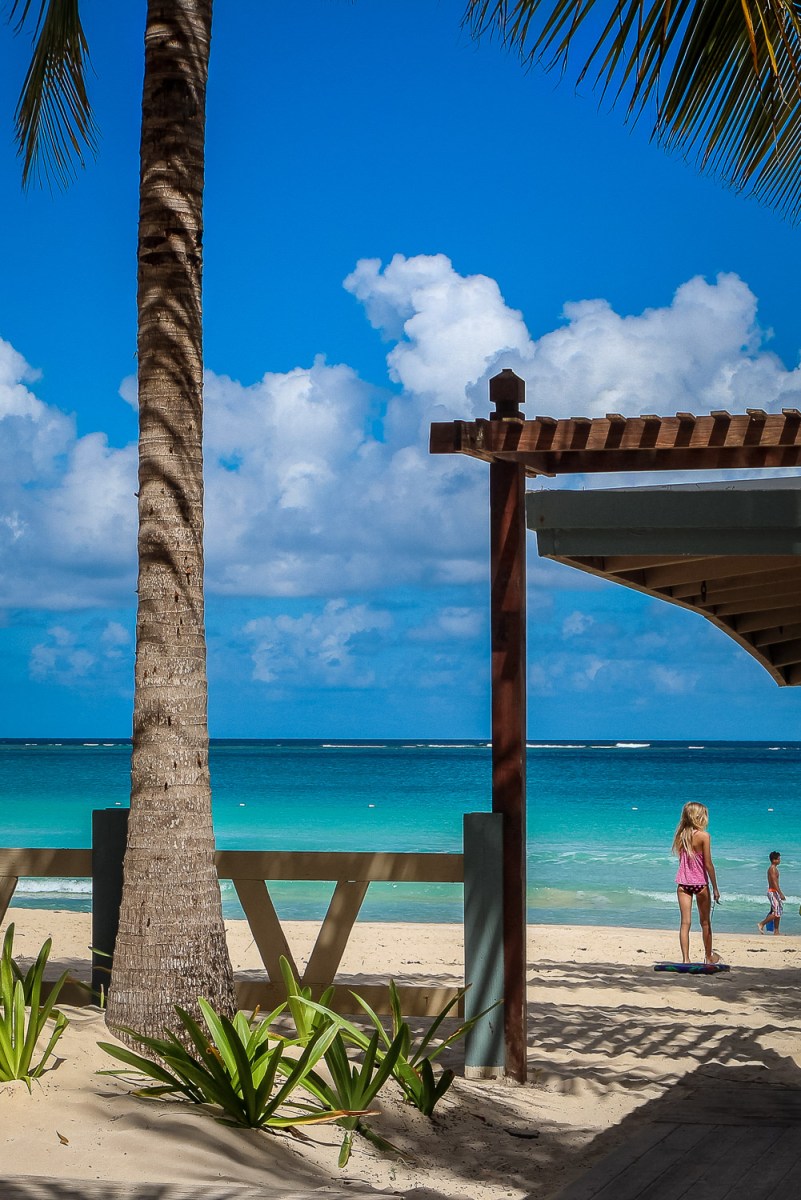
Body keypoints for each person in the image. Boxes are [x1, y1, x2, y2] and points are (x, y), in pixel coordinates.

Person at [672, 801, 721, 965]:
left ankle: (686, 959)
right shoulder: (704, 836)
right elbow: (708, 864)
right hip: (700, 883)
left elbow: (684, 862)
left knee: (685, 923)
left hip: (683, 884)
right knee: (705, 922)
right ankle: (708, 957)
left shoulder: (681, 836)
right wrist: (715, 887)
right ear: (699, 817)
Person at [757, 851, 785, 935]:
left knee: (778, 911)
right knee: (776, 912)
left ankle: (776, 931)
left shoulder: (774, 868)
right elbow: (774, 882)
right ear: (774, 860)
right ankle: (761, 923)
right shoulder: (772, 869)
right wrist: (780, 893)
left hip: (774, 891)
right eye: (778, 859)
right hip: (773, 891)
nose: (780, 860)